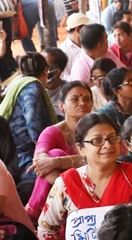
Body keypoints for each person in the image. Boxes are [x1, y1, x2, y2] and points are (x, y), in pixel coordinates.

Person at [26, 81, 93, 217]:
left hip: (90, 184)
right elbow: (40, 159)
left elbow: (99, 159)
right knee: (53, 154)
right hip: (63, 193)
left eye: (87, 99)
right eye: (75, 99)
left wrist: (58, 162)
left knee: (55, 157)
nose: (82, 103)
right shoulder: (52, 132)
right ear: (61, 106)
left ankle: (34, 211)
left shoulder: (96, 130)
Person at [0, 52, 56, 175]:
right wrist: (42, 155)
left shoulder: (19, 84)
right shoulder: (33, 88)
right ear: (46, 71)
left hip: (14, 150)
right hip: (24, 155)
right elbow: (34, 127)